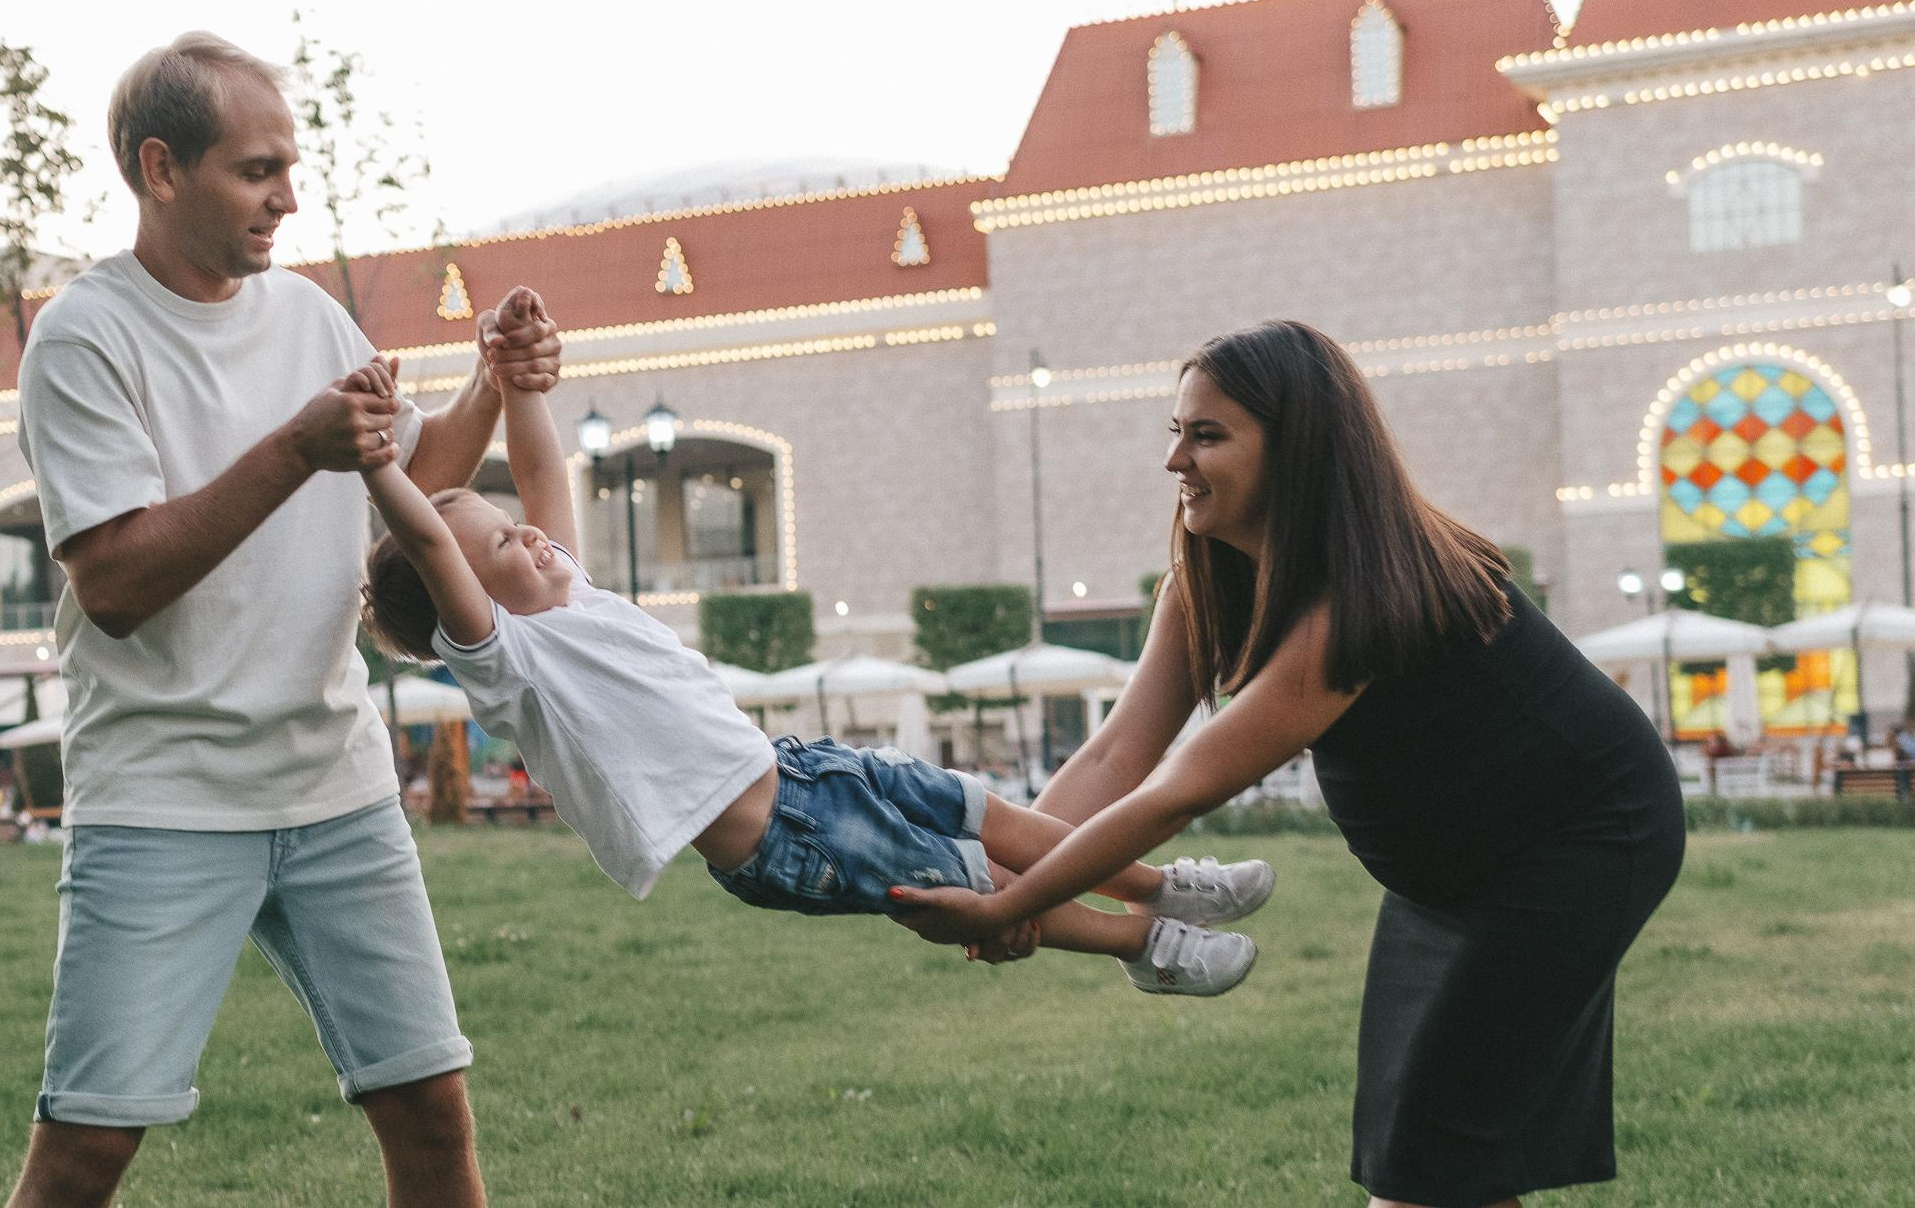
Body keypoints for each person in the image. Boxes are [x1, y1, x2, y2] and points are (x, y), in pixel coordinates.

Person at [889, 321, 1685, 1208]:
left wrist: (1012, 904)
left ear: (1296, 452)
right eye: (1175, 432)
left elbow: (1177, 793)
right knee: (1438, 1161)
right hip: (1446, 875)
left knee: (1427, 1167)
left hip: (1576, 845)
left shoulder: (1354, 602)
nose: (1175, 461)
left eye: (1208, 435)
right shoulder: (1207, 579)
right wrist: (1009, 871)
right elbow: (1119, 751)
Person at [5, 32, 560, 1208]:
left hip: (335, 786)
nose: (287, 198)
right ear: (162, 169)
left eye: (288, 167)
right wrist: (294, 450)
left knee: (429, 1114)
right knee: (88, 1145)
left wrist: (492, 380)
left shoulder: (306, 317)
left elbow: (415, 476)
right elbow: (114, 582)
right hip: (163, 796)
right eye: (256, 171)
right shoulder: (85, 338)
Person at [350, 323, 1271, 994]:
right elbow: (433, 550)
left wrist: (521, 383)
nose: (531, 538)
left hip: (801, 767)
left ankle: (1161, 884)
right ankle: (1143, 946)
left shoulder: (569, 594)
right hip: (783, 838)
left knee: (980, 809)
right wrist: (378, 462)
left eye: (517, 527)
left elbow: (545, 474)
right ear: (464, 614)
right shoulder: (510, 662)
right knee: (968, 877)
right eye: (503, 545)